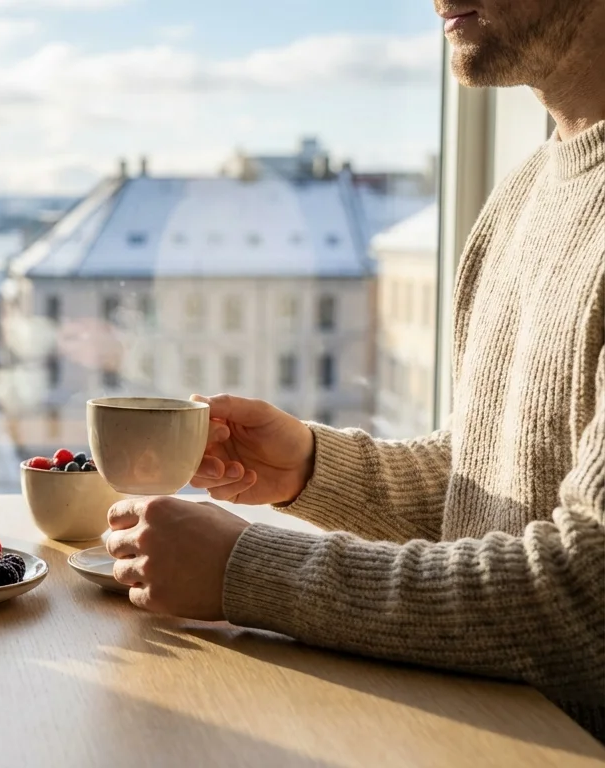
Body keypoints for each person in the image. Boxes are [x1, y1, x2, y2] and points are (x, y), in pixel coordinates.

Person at [106, 0, 605, 740]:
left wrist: (249, 571)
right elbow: (497, 491)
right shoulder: (528, 189)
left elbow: (586, 600)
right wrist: (314, 469)